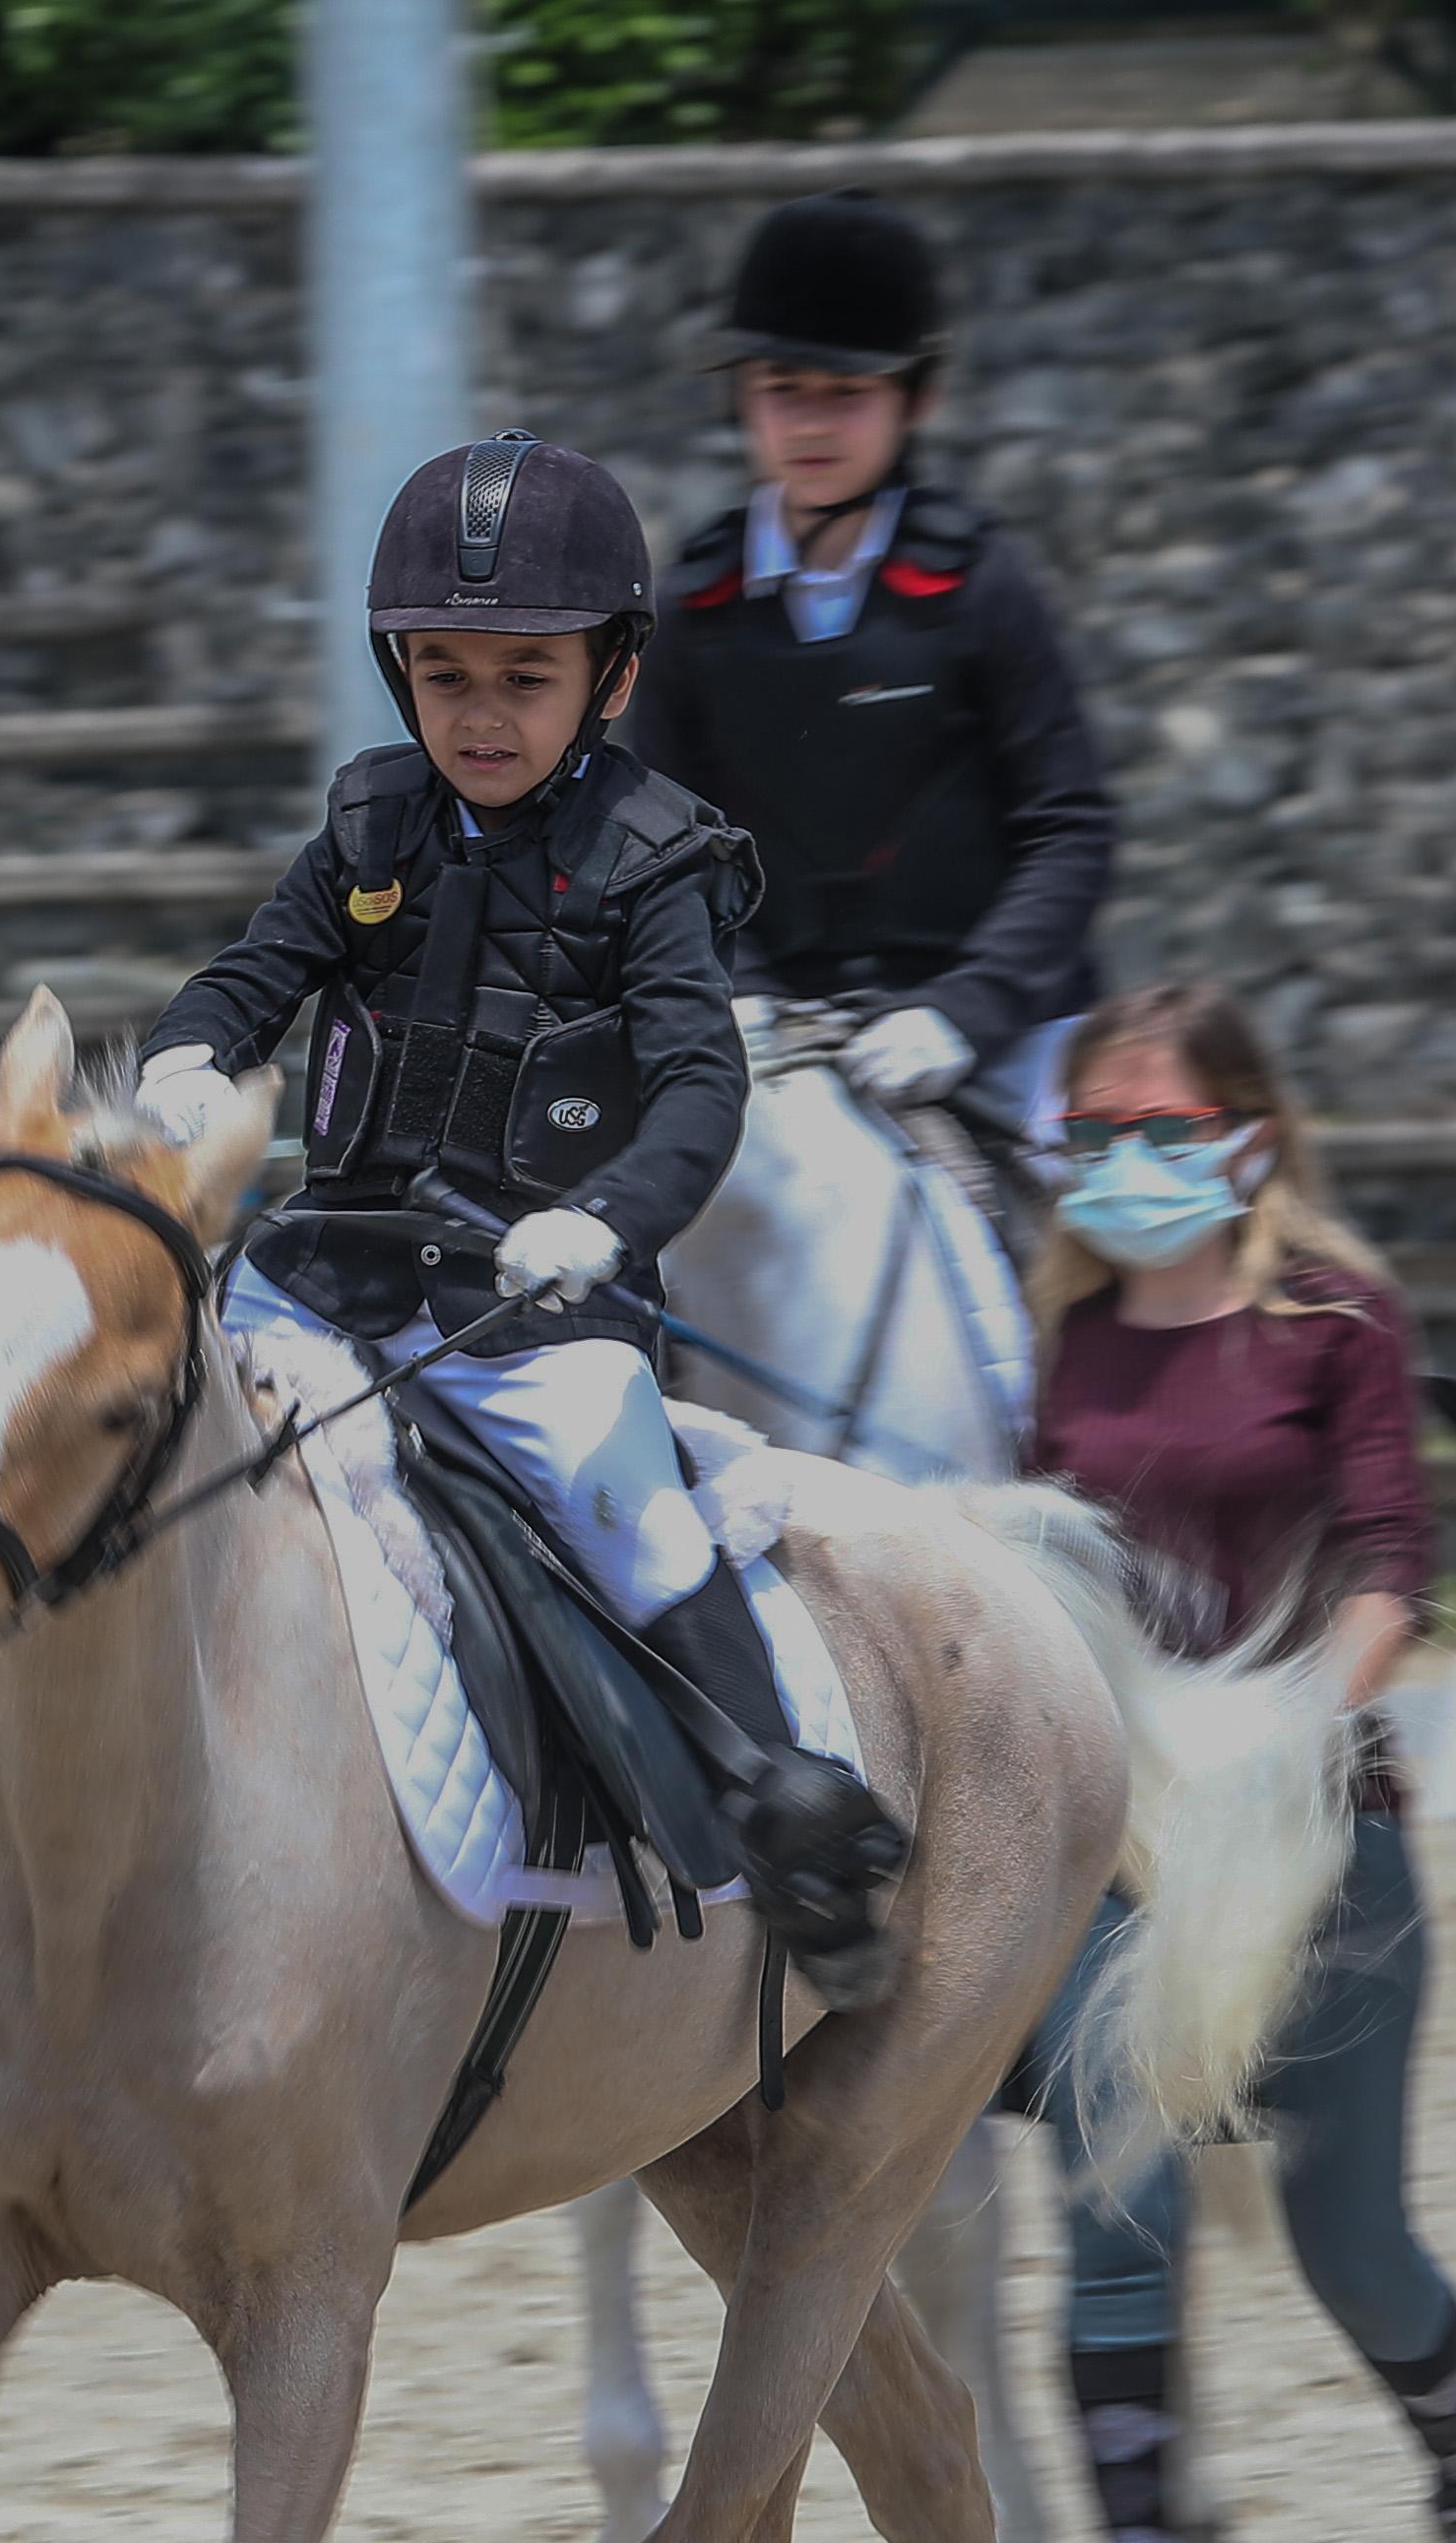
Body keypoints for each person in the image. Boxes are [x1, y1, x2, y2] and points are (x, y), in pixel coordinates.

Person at [129, 432, 909, 1995]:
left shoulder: (658, 863)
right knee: (119, 1416)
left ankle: (792, 1823)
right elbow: (254, 971)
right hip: (324, 1275)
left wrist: (608, 1221)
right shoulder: (368, 827)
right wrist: (188, 1048)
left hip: (531, 1306)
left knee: (633, 1515)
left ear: (611, 676)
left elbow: (697, 1089)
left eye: (523, 677)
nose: (478, 714)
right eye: (444, 675)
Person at [1005, 979, 1456, 2543]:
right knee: (1113, 2210)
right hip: (1122, 1849)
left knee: (1354, 2249)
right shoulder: (1066, 1335)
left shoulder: (1337, 1320)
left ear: (1247, 1136)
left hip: (1316, 1838)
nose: (1123, 1160)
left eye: (1162, 1129)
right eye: (1092, 1132)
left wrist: (1290, 1725)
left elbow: (1393, 1560)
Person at [628, 192, 1112, 1155]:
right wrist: (738, 995)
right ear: (741, 397)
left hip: (998, 1035)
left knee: (1111, 1221)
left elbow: (1069, 829)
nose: (811, 423)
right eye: (782, 389)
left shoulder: (981, 587)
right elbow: (666, 857)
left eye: (847, 393)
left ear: (915, 400)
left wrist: (966, 1011)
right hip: (781, 1043)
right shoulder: (689, 608)